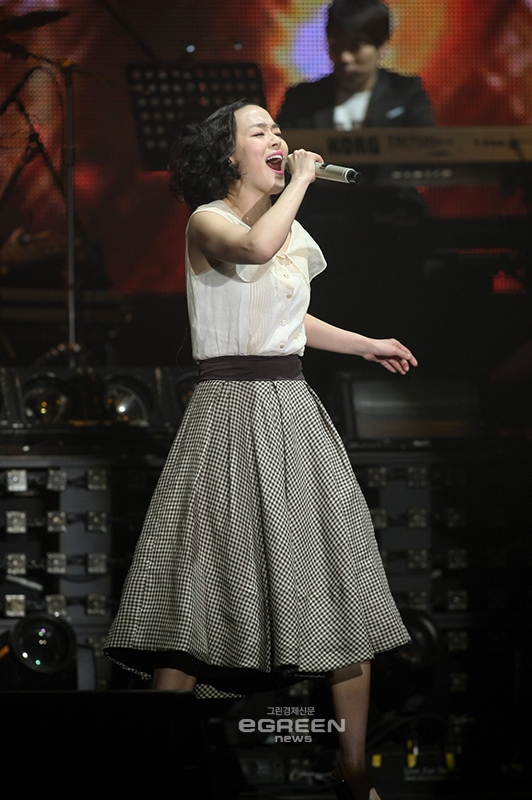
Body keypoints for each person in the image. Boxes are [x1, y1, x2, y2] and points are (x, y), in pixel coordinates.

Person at [104, 99, 418, 800]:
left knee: (339, 579)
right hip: (228, 410)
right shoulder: (208, 220)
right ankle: (152, 768)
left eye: (280, 131)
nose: (279, 139)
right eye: (261, 132)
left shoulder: (285, 226)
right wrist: (301, 179)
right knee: (199, 586)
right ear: (229, 155)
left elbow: (289, 313)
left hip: (292, 409)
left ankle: (353, 771)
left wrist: (365, 343)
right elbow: (254, 251)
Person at [278, 0, 433, 129]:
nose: (345, 57)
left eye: (356, 46)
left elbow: (427, 148)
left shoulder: (406, 93)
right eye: (337, 43)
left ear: (382, 46)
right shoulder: (302, 99)